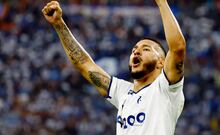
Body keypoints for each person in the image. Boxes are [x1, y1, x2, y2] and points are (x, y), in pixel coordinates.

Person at [42, 0, 186, 134]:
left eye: (146, 49)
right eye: (134, 49)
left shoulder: (166, 89)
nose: (136, 51)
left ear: (162, 62)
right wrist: (59, 24)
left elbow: (178, 47)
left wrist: (161, 2)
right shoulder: (123, 92)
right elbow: (84, 64)